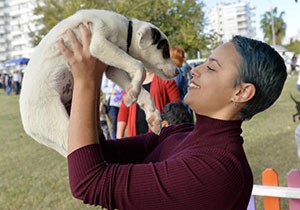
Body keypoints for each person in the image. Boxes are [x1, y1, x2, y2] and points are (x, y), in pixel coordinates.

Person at [57, 24, 287, 210]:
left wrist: (87, 80)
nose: (195, 70)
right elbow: (101, 153)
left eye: (212, 68)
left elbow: (89, 183)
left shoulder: (218, 170)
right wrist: (79, 86)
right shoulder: (178, 133)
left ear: (242, 92)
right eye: (204, 63)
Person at [116, 68, 180, 138]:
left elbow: (176, 109)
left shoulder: (166, 79)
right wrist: (119, 136)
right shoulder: (131, 81)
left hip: (159, 136)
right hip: (136, 136)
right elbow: (124, 110)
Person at [101, 73, 123, 139]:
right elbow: (103, 88)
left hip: (122, 101)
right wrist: (112, 91)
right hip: (112, 102)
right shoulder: (107, 73)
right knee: (114, 123)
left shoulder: (122, 72)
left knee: (121, 123)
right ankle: (114, 141)